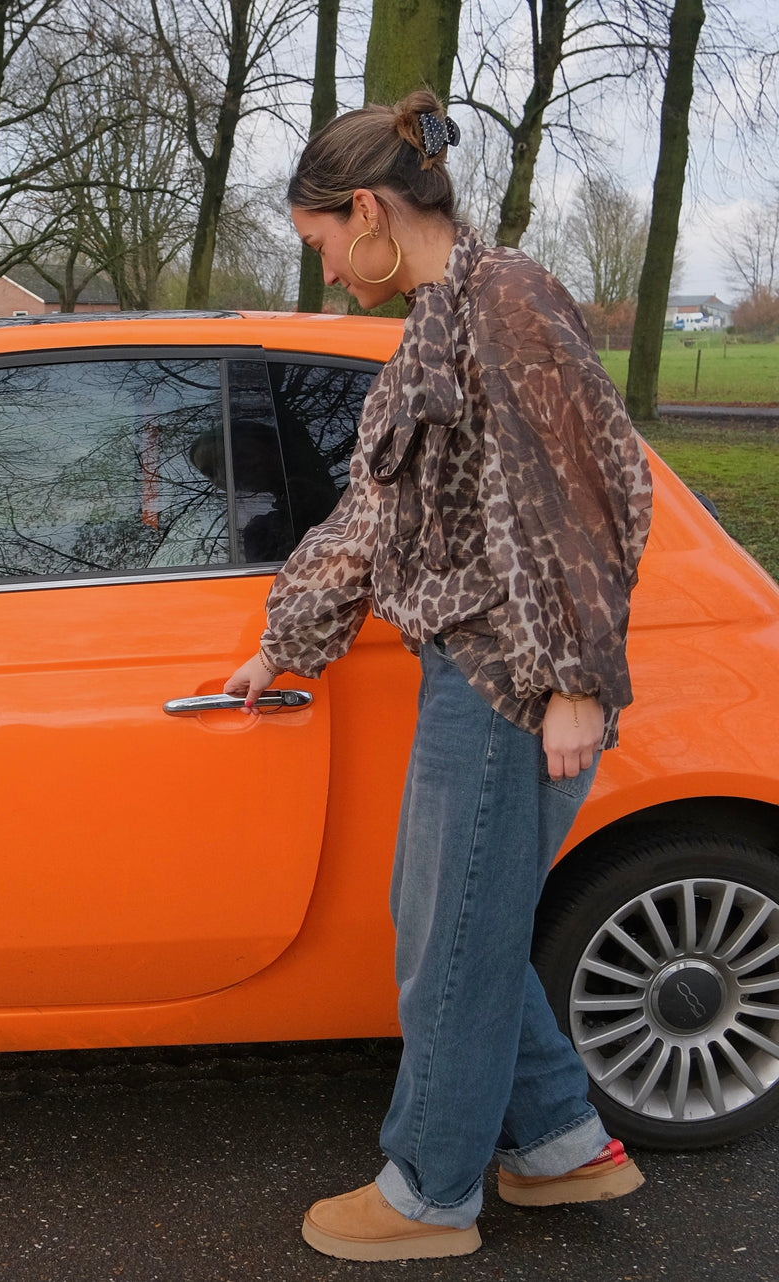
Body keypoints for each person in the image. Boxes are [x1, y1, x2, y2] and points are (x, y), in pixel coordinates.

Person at [223, 89, 654, 1262]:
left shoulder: (507, 301)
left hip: (510, 680)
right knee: (451, 922)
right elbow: (377, 510)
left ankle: (427, 1194)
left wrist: (575, 679)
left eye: (320, 240)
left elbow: (583, 491)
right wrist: (288, 637)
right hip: (468, 669)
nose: (323, 267)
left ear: (366, 208)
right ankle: (561, 1147)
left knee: (448, 942)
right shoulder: (436, 318)